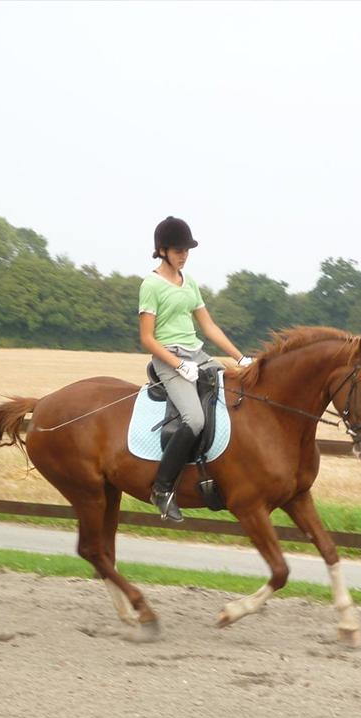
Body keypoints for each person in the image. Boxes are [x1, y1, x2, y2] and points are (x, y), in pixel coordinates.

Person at [139, 216, 252, 522]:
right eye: (178, 249)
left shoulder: (190, 284)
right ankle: (162, 489)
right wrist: (178, 365)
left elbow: (208, 326)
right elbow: (147, 338)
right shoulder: (151, 285)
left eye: (186, 249)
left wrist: (240, 358)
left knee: (236, 392)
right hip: (169, 359)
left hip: (197, 354)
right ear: (162, 250)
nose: (183, 254)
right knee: (195, 419)